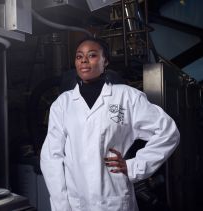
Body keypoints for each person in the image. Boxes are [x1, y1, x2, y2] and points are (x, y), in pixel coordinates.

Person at [40, 37, 180, 211]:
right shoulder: (63, 104)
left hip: (114, 200)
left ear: (105, 61)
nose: (84, 60)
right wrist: (61, 205)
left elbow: (168, 132)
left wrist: (134, 166)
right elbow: (51, 157)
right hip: (77, 202)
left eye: (92, 55)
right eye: (79, 56)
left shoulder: (127, 97)